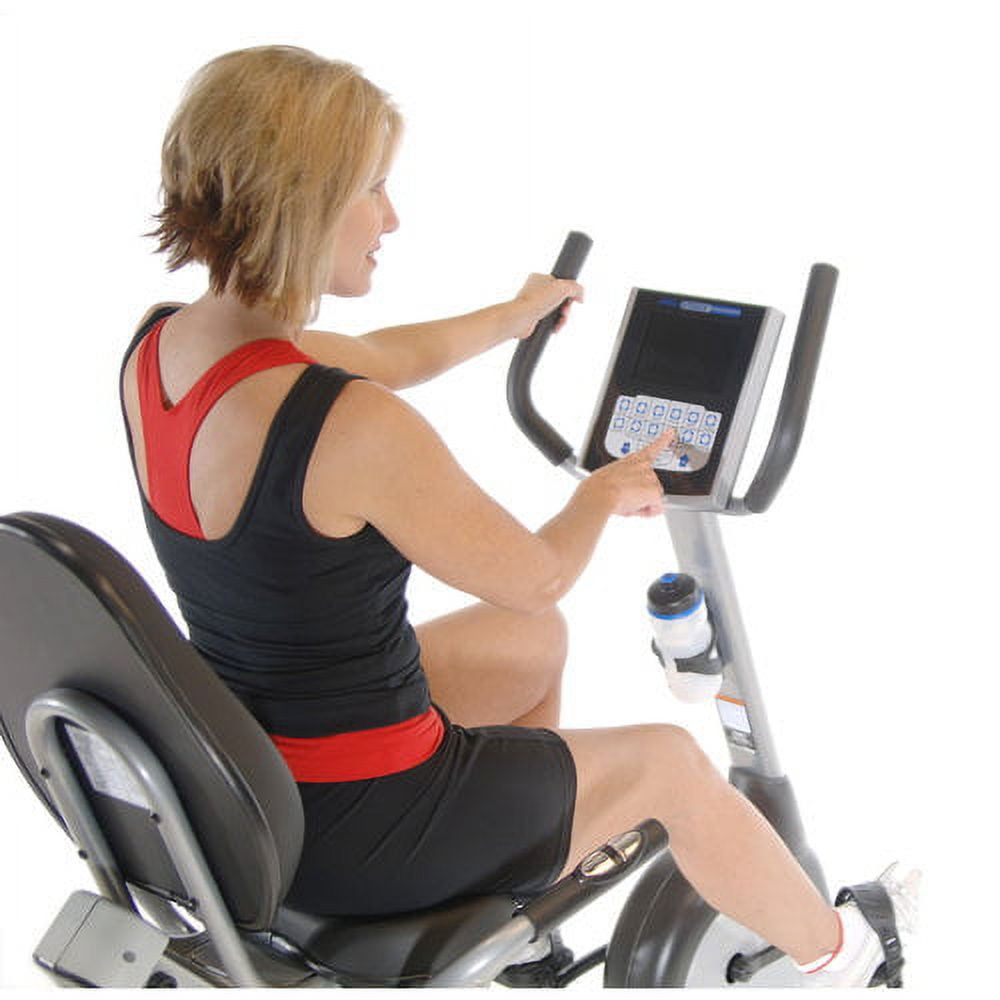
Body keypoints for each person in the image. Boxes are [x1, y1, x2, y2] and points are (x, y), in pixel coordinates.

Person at [119, 45, 916, 986]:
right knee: (668, 761)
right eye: (372, 188)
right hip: (361, 826)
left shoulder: (162, 349)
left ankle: (517, 927)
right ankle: (846, 954)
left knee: (529, 643)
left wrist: (512, 315)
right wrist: (600, 494)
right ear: (303, 201)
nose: (391, 217)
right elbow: (538, 571)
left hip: (254, 774)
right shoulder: (350, 425)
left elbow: (384, 353)